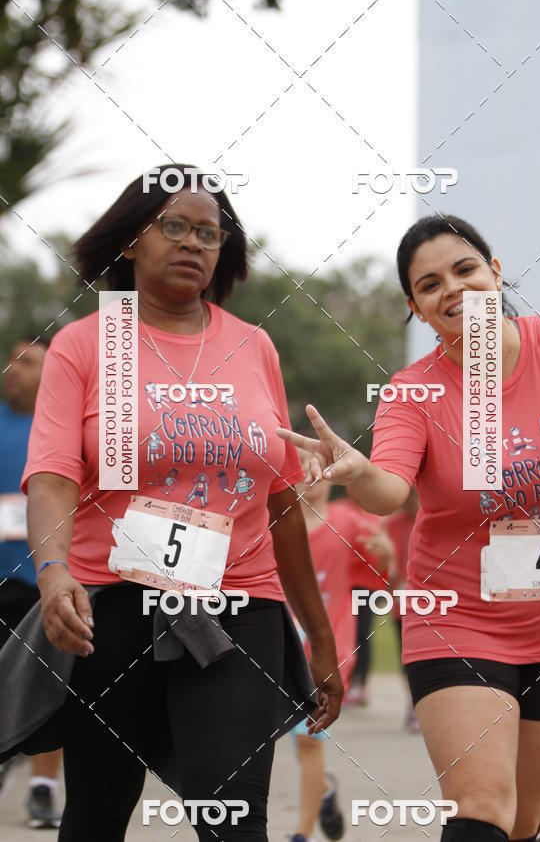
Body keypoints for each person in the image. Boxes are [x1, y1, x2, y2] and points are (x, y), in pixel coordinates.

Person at [4, 165, 343, 842]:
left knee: (233, 816)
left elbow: (279, 501)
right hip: (109, 608)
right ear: (132, 239)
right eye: (175, 226)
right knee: (97, 812)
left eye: (210, 234)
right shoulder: (85, 344)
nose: (194, 243)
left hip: (238, 609)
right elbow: (51, 475)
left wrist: (323, 636)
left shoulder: (253, 345)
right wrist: (52, 570)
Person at [277, 214, 540, 842]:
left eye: (464, 269)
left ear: (496, 271)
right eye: (429, 285)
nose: (450, 289)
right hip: (458, 620)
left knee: (525, 826)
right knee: (482, 807)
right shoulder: (412, 392)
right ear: (417, 309)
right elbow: (390, 490)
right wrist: (356, 470)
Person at [289, 449, 368, 842]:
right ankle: (324, 790)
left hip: (332, 651)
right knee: (284, 744)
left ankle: (302, 833)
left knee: (307, 741)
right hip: (283, 647)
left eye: (317, 469)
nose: (310, 477)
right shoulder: (276, 525)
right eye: (300, 469)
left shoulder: (349, 523)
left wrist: (385, 559)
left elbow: (380, 570)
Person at [0, 337, 63, 828]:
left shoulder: (63, 423)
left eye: (27, 361)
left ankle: (43, 788)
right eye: (11, 360)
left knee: (52, 684)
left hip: (48, 576)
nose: (12, 368)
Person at [345, 510, 393, 706]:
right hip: (345, 583)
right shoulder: (341, 511)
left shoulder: (380, 517)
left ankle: (361, 684)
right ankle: (346, 680)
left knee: (362, 634)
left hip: (369, 585)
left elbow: (386, 559)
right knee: (345, 633)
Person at [383, 487, 421, 732]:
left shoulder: (432, 520)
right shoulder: (392, 525)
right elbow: (385, 564)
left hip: (432, 601)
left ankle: (423, 703)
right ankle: (413, 704)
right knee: (405, 658)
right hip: (401, 601)